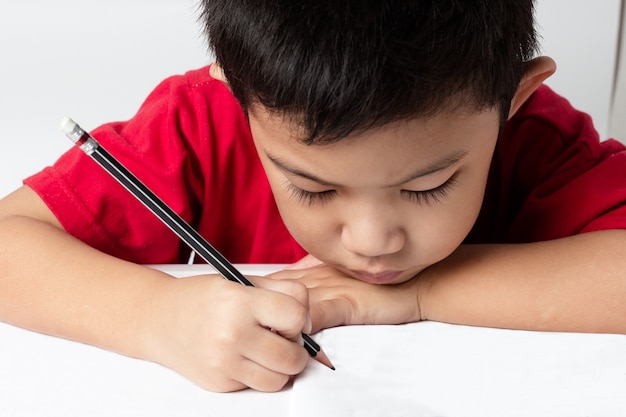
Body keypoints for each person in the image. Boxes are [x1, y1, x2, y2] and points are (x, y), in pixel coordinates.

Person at [1, 0, 625, 393]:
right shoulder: (200, 124)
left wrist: (421, 292)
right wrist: (155, 317)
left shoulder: (536, 136)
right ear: (238, 101)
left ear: (511, 103)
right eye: (312, 187)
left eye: (429, 184)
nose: (372, 241)